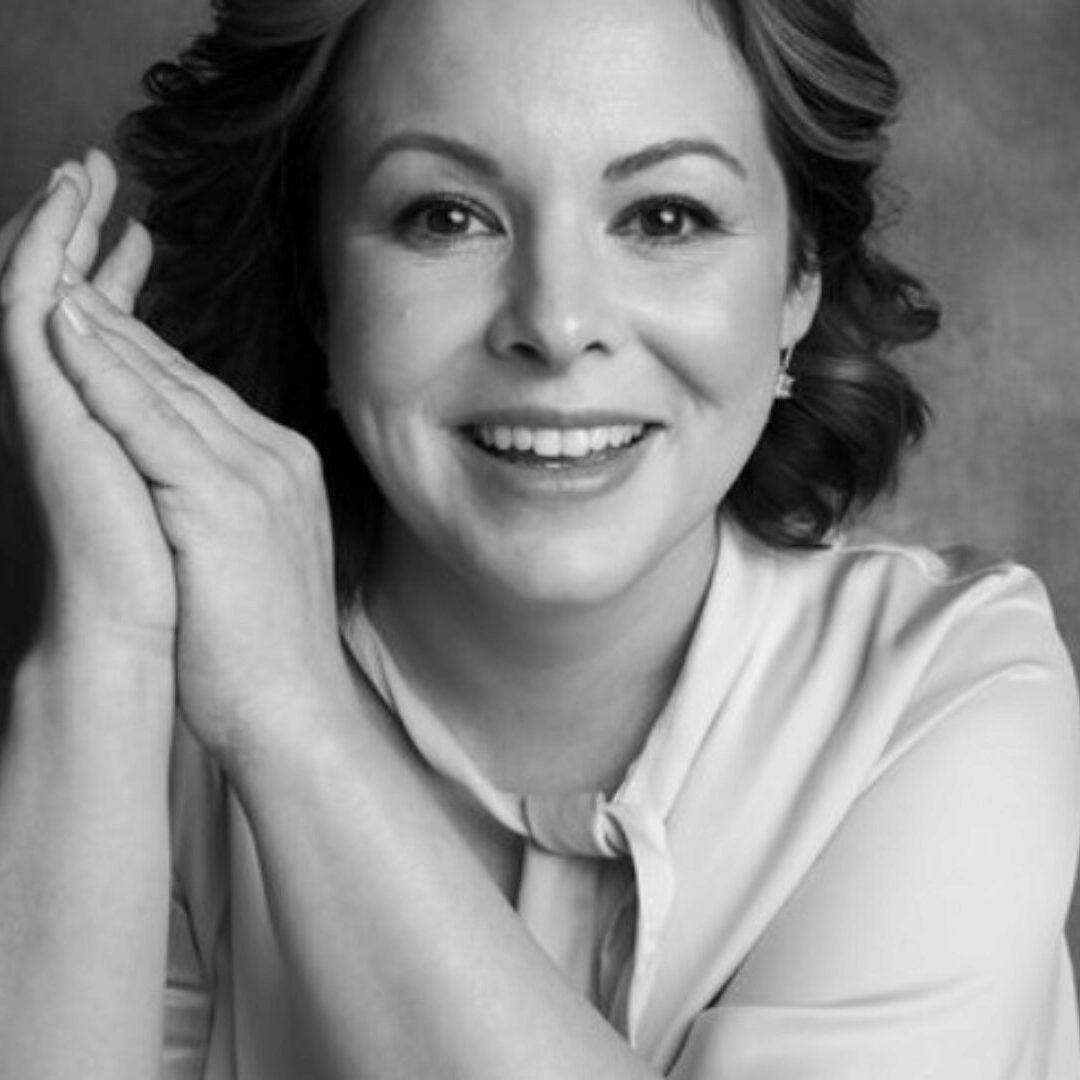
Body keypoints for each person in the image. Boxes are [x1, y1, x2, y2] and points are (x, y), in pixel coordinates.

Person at [1, 0, 1078, 1076]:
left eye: (664, 218)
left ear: (801, 277)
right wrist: (108, 640)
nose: (558, 326)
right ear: (318, 284)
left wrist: (295, 716)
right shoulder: (166, 718)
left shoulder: (949, 691)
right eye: (446, 217)